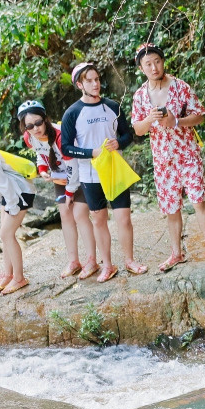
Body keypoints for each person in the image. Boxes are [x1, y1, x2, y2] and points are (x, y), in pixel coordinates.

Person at [131, 44, 205, 270]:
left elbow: (200, 116)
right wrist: (150, 119)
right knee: (172, 209)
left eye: (157, 61)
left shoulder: (180, 87)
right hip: (163, 160)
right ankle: (176, 253)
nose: (154, 67)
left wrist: (176, 122)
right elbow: (138, 129)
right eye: (148, 64)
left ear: (163, 61)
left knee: (198, 201)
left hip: (187, 153)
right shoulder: (140, 96)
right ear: (141, 68)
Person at [61, 61, 146, 281]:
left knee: (124, 218)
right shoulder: (72, 113)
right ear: (80, 84)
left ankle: (130, 261)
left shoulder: (113, 106)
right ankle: (107, 265)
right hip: (90, 175)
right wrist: (92, 152)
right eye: (89, 80)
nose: (95, 83)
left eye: (97, 79)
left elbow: (128, 135)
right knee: (98, 219)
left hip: (115, 171)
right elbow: (66, 148)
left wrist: (119, 144)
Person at [17, 100, 97, 280]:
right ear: (25, 127)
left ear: (45, 119)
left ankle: (92, 261)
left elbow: (73, 165)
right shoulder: (30, 138)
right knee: (65, 217)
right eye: (30, 126)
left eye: (38, 122)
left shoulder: (61, 136)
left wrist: (70, 191)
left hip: (81, 174)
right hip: (60, 179)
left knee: (80, 215)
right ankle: (73, 261)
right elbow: (41, 152)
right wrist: (43, 169)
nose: (35, 128)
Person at [0, 148, 36, 295]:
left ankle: (19, 278)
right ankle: (8, 274)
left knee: (6, 234)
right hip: (10, 192)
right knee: (5, 234)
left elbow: (2, 181)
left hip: (20, 191)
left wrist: (12, 206)